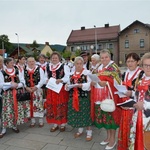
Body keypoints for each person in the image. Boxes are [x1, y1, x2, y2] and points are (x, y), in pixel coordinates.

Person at [91, 49, 122, 149]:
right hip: (99, 96)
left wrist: (107, 83)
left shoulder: (114, 67)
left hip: (110, 96)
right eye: (102, 57)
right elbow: (93, 76)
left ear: (110, 57)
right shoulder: (98, 66)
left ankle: (113, 140)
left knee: (111, 118)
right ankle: (108, 137)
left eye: (106, 57)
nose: (104, 59)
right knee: (104, 118)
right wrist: (93, 82)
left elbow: (119, 83)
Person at [117, 53, 143, 150]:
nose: (130, 63)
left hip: (135, 106)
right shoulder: (125, 73)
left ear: (138, 62)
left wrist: (131, 93)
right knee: (125, 127)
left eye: (132, 61)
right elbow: (121, 86)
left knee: (134, 129)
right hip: (125, 104)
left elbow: (142, 92)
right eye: (128, 61)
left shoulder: (141, 74)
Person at [0, 57, 30, 138]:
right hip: (7, 94)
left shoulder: (17, 70)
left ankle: (14, 125)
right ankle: (4, 128)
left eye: (13, 62)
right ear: (6, 64)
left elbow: (22, 81)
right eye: (11, 63)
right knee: (6, 110)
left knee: (15, 109)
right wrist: (10, 84)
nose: (13, 64)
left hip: (16, 92)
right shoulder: (2, 72)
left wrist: (17, 85)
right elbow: (1, 84)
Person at [65, 56, 93, 141]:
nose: (79, 65)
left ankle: (89, 132)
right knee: (77, 114)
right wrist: (67, 86)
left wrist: (82, 85)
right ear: (74, 64)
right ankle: (80, 130)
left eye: (81, 63)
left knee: (86, 114)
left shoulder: (87, 72)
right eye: (77, 63)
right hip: (73, 97)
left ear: (83, 64)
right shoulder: (71, 74)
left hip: (83, 97)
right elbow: (68, 85)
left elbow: (90, 84)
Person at [129, 52, 150, 150]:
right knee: (135, 137)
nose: (148, 68)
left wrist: (145, 104)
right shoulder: (140, 78)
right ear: (142, 66)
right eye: (146, 65)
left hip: (148, 117)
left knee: (146, 141)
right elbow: (135, 95)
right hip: (137, 114)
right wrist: (129, 104)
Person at [45, 52, 69, 132]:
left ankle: (63, 124)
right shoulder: (48, 66)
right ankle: (55, 123)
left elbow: (67, 77)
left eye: (56, 58)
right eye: (52, 58)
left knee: (61, 105)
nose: (54, 59)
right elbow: (45, 77)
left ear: (59, 58)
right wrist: (47, 80)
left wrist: (61, 80)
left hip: (60, 89)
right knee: (52, 105)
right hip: (51, 89)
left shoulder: (64, 66)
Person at [24, 57, 45, 127]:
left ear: (35, 62)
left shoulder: (39, 69)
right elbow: (22, 79)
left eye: (33, 61)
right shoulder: (24, 70)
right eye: (29, 61)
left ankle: (41, 121)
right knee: (29, 106)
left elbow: (43, 80)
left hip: (37, 90)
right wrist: (26, 87)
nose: (31, 63)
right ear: (27, 62)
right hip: (28, 90)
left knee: (39, 105)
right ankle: (32, 121)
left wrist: (36, 87)